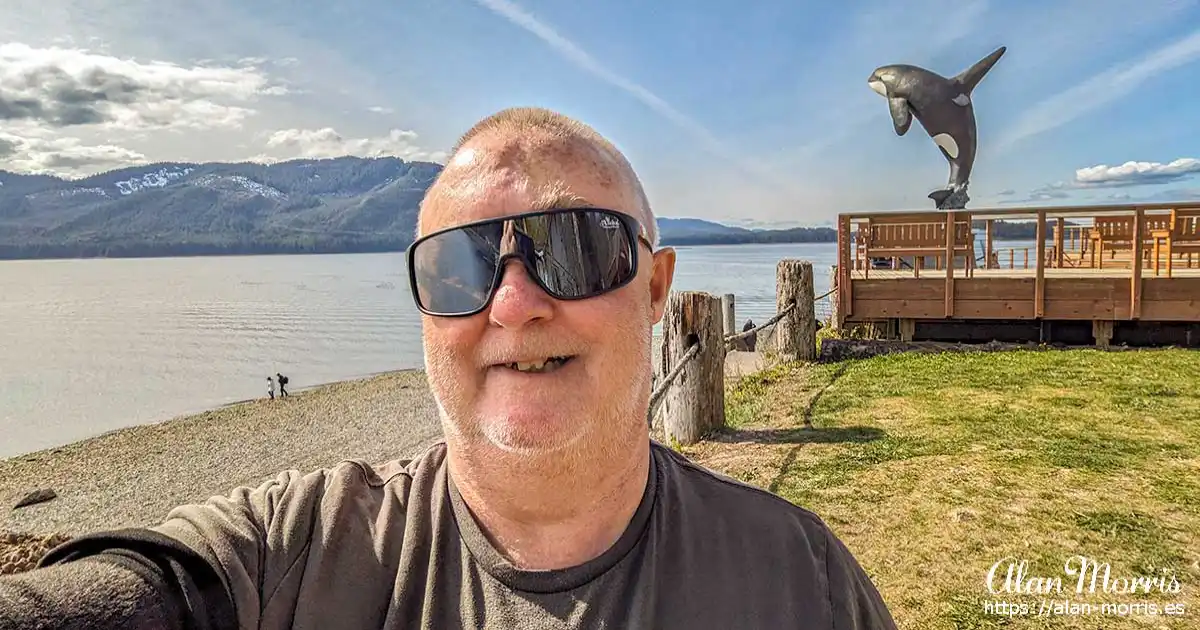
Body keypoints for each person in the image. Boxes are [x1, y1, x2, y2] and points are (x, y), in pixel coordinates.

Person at [0, 107, 897, 629]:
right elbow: (152, 590)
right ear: (425, 309)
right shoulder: (295, 556)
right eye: (460, 266)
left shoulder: (797, 582)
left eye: (576, 249)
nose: (512, 304)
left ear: (657, 287)